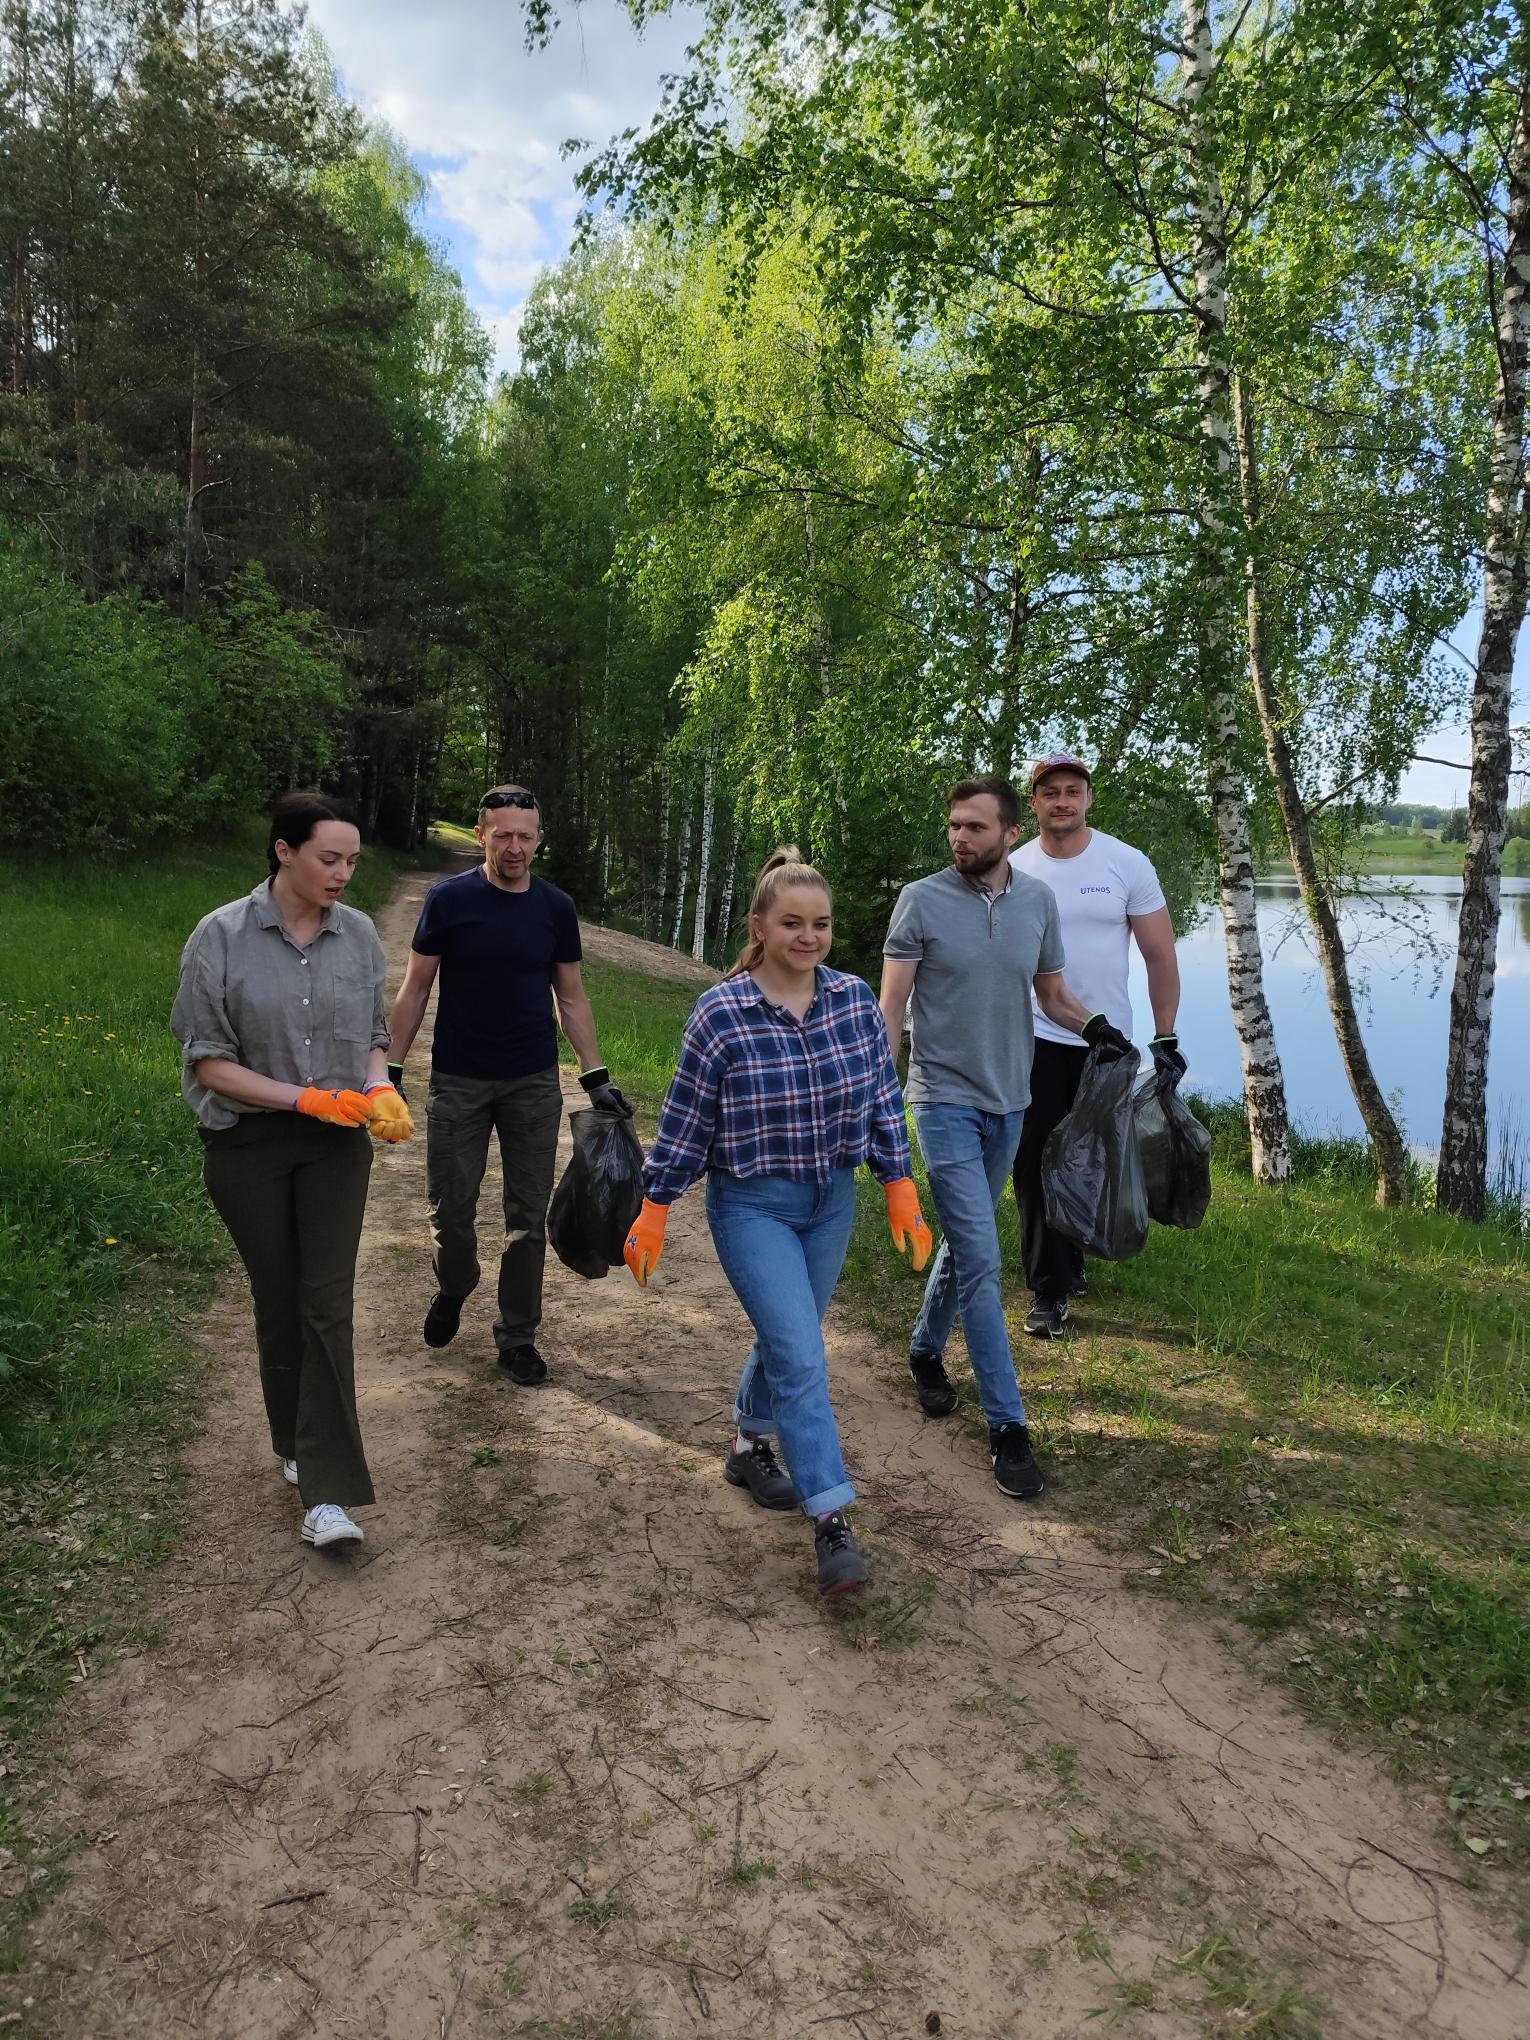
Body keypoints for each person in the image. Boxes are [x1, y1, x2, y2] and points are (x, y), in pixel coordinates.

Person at [622, 850, 932, 1598]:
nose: (808, 936)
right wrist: (655, 1206)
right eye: (792, 923)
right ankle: (830, 1519)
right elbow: (687, 1122)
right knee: (801, 1353)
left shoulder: (855, 1001)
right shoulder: (720, 1013)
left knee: (787, 1337)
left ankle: (747, 1442)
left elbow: (881, 1098)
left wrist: (899, 1184)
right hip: (751, 1205)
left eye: (820, 924)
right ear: (759, 927)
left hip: (832, 1203)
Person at [171, 792, 413, 1550]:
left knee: (325, 1304)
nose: (343, 874)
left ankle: (327, 1493)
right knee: (279, 1304)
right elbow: (208, 1064)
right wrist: (303, 1097)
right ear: (284, 851)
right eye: (328, 858)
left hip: (336, 1146)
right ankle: (295, 1444)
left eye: (352, 862)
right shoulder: (220, 936)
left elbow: (372, 1035)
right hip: (247, 1146)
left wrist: (378, 1086)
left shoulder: (360, 934)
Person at [879, 776, 1130, 1500]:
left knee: (967, 1243)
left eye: (976, 827)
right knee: (985, 1262)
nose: (961, 838)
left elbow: (1051, 993)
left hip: (1010, 1102)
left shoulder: (1036, 903)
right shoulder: (920, 900)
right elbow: (891, 1006)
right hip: (941, 1100)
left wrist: (1096, 1028)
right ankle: (1008, 1427)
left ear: (1010, 834)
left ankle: (926, 1349)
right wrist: (874, 1094)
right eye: (954, 826)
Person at [386, 785, 632, 1384]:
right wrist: (388, 1071)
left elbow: (570, 996)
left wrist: (594, 1075)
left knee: (527, 1217)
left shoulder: (555, 908)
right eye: (503, 835)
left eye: (526, 836)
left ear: (538, 839)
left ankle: (518, 1336)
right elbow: (415, 988)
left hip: (532, 1083)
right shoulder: (448, 901)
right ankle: (456, 1282)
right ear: (481, 836)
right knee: (451, 1210)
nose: (515, 847)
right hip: (458, 1080)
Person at [1010, 753, 1180, 1339]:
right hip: (1033, 1033)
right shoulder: (1015, 869)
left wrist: (1165, 1034)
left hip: (1106, 1042)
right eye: (1050, 791)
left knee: (1091, 1158)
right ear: (1034, 802)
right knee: (1036, 1157)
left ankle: (1071, 1254)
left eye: (1072, 791)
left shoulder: (1124, 863)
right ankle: (1049, 1290)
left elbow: (1160, 956)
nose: (1062, 801)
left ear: (1088, 798)